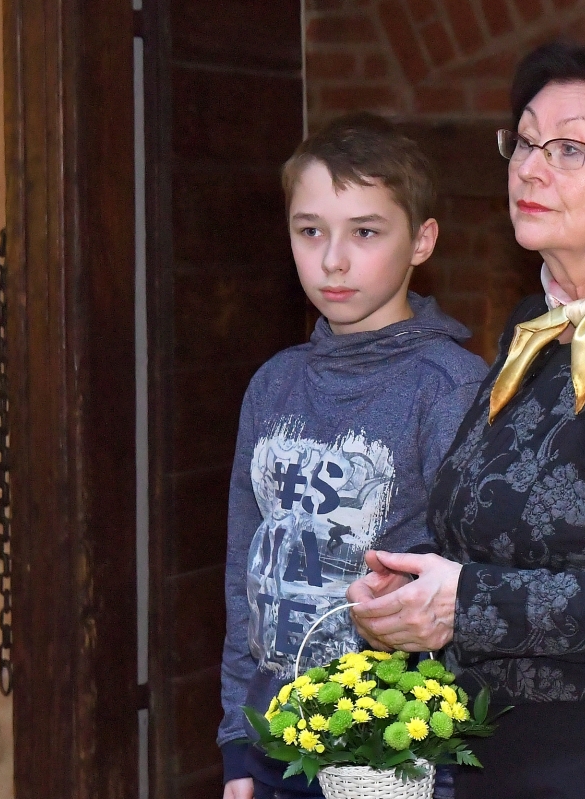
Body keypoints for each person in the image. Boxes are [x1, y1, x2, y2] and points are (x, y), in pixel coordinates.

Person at [348, 41, 585, 799]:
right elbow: (505, 530)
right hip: (500, 750)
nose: (530, 168)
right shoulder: (534, 326)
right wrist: (415, 587)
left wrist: (465, 601)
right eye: (522, 142)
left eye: (569, 149)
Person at [218, 113, 488, 799]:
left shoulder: (449, 387)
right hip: (275, 743)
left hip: (394, 757)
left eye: (365, 232)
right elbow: (245, 569)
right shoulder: (274, 383)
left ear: (421, 240)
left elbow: (479, 584)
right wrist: (235, 741)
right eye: (310, 231)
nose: (332, 260)